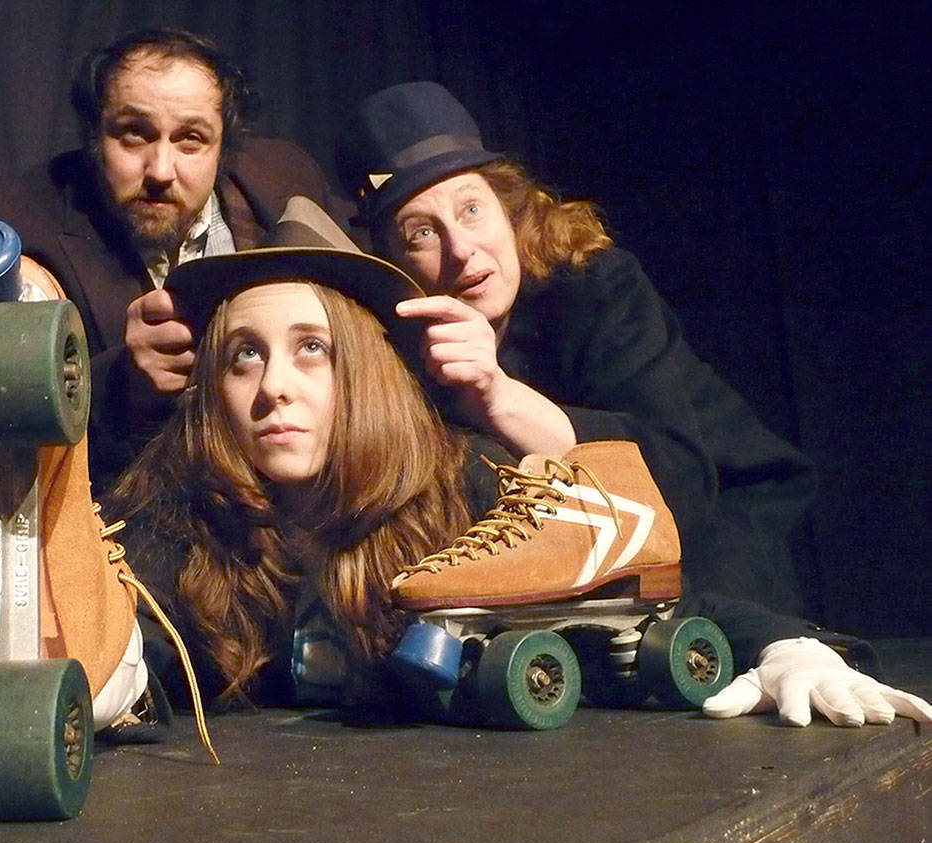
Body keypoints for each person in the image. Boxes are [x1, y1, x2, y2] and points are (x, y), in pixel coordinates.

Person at [107, 196, 931, 728]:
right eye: (243, 357)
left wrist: (793, 647)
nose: (273, 388)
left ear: (364, 374)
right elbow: (121, 645)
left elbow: (630, 605)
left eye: (311, 350)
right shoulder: (178, 519)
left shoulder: (466, 490)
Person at [333, 82, 817, 616]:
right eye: (421, 233)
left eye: (471, 209)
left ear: (509, 211)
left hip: (718, 522)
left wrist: (499, 397)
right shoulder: (393, 344)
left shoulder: (594, 288)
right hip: (559, 551)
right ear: (392, 263)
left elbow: (678, 478)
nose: (460, 248)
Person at [0, 27, 351, 491]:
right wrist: (123, 385)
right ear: (94, 136)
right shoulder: (21, 235)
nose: (159, 171)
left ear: (224, 149)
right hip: (133, 513)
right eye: (134, 134)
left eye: (191, 139)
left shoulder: (285, 181)